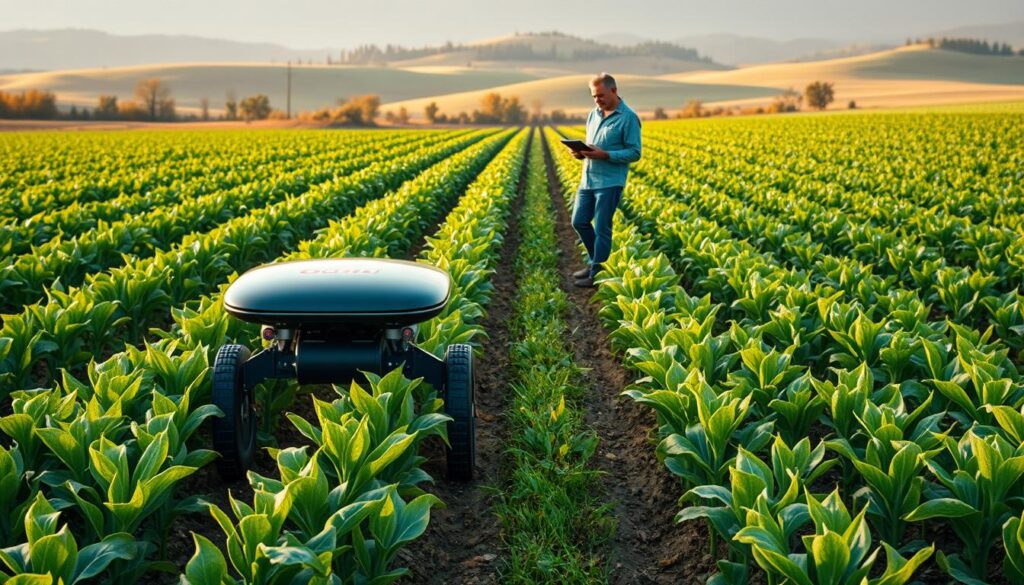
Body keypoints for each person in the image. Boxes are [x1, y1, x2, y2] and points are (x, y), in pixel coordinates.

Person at [569, 72, 642, 288]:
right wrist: (580, 153)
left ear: (614, 90)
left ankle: (597, 273)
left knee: (602, 228)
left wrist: (606, 155)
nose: (597, 100)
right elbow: (593, 145)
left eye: (600, 95)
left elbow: (635, 152)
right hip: (588, 180)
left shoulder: (628, 117)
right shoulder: (594, 114)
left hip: (610, 182)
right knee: (579, 221)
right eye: (593, 96)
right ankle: (597, 264)